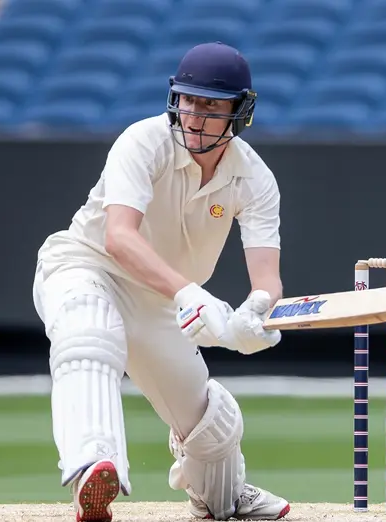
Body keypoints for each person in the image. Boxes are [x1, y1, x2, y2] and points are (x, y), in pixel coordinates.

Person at [31, 41, 291, 521]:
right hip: (86, 268)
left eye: (211, 105)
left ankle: (226, 496)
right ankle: (94, 464)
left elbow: (267, 279)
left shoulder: (254, 178)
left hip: (160, 302)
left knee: (209, 426)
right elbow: (119, 239)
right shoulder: (142, 141)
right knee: (89, 334)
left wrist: (255, 313)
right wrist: (190, 293)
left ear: (240, 112)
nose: (194, 115)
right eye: (188, 100)